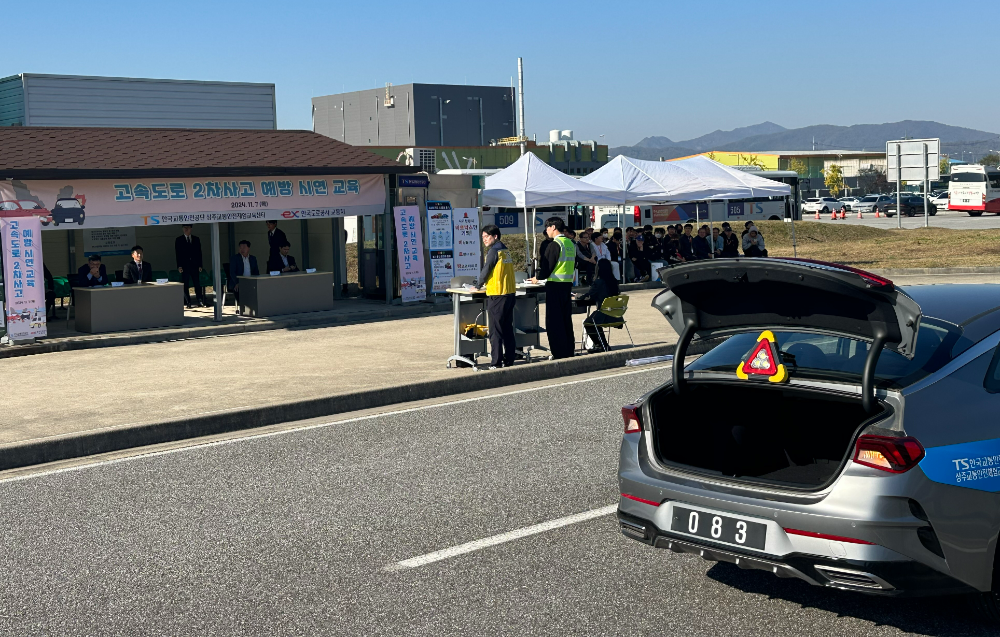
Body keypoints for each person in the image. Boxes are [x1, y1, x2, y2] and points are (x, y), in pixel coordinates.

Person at [529, 216, 576, 360]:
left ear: (553, 227)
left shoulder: (555, 244)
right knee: (565, 320)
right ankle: (569, 350)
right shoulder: (570, 243)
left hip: (554, 287)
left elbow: (547, 267)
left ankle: (559, 352)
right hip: (567, 286)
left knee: (554, 322)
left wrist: (538, 278)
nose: (546, 230)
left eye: (547, 227)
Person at [478, 224, 517, 369]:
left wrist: (477, 284)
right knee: (507, 329)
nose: (484, 240)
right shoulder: (505, 250)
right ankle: (509, 359)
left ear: (495, 236)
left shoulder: (494, 251)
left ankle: (496, 362)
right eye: (482, 237)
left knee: (495, 331)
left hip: (497, 294)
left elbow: (486, 270)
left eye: (487, 237)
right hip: (509, 294)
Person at [579, 258, 621, 352]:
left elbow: (590, 295)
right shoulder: (614, 281)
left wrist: (580, 296)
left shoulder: (598, 282)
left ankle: (600, 345)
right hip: (616, 314)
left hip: (604, 314)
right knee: (594, 320)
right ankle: (604, 345)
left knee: (589, 323)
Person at [175, 224, 206, 308]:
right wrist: (179, 266)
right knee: (185, 284)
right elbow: (178, 254)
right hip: (185, 266)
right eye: (184, 228)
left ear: (191, 229)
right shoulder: (179, 240)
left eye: (187, 228)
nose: (186, 229)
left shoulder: (196, 239)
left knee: (197, 283)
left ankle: (200, 300)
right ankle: (188, 302)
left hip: (194, 265)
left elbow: (199, 253)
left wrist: (200, 265)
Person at [229, 240, 260, 312]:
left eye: (244, 247)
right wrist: (237, 282)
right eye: (240, 247)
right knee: (239, 289)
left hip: (251, 281)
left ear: (248, 248)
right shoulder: (235, 258)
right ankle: (244, 307)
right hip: (238, 281)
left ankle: (255, 307)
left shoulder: (253, 258)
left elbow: (256, 272)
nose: (242, 249)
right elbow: (232, 272)